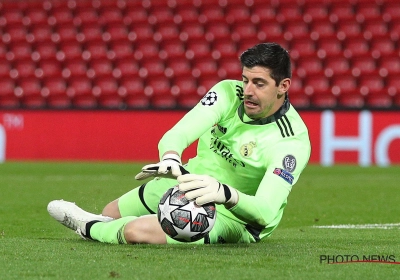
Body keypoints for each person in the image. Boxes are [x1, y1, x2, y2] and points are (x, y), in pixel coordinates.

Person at [47, 42, 311, 245]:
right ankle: (102, 224)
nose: (248, 90)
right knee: (112, 212)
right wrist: (171, 158)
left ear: (283, 86)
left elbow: (264, 212)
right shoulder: (228, 93)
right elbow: (178, 133)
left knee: (135, 230)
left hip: (236, 217)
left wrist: (224, 193)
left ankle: (86, 226)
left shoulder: (291, 142)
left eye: (259, 83)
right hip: (190, 180)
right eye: (245, 80)